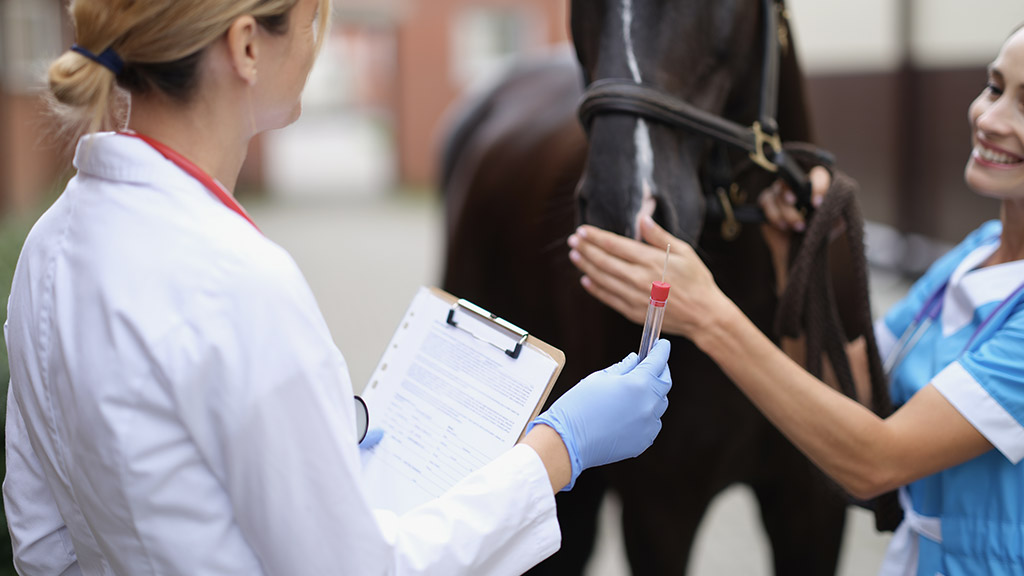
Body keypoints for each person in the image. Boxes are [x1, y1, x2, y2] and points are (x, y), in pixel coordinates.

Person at [2, 1, 673, 574]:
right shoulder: (242, 283)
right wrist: (560, 447)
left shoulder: (50, 243)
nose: (317, 43)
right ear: (245, 45)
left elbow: (39, 541)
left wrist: (315, 443)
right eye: (312, 19)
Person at [566, 25, 1024, 576]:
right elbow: (846, 385)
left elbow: (877, 461)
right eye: (995, 88)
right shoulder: (976, 254)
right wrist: (789, 261)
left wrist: (709, 315)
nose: (990, 119)